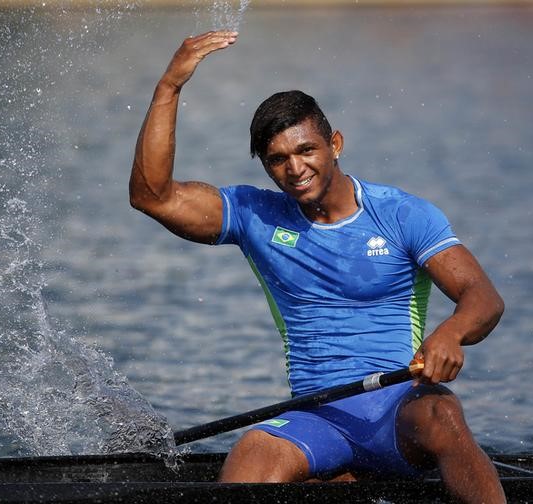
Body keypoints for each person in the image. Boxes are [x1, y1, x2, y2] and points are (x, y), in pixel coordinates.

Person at [129, 31, 506, 503]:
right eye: (278, 160)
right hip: (315, 415)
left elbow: (483, 298)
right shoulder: (254, 215)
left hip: (398, 411)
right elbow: (151, 195)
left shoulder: (402, 215)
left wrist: (450, 335)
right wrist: (169, 87)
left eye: (306, 150)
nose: (295, 168)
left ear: (335, 144)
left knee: (444, 416)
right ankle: (339, 472)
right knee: (250, 455)